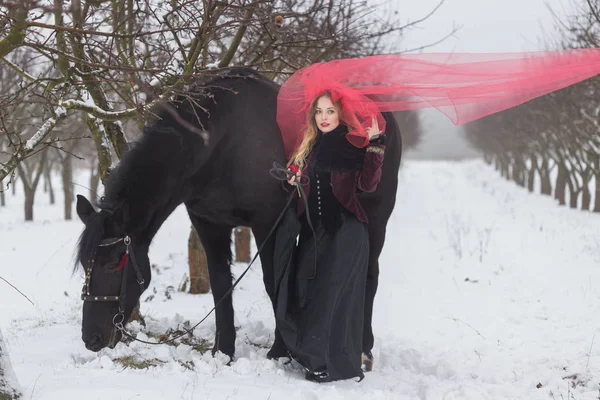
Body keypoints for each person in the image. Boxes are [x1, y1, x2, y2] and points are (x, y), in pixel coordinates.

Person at [272, 91, 386, 383]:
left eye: (330, 111)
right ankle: (311, 354)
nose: (324, 117)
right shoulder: (309, 146)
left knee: (332, 296)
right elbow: (302, 188)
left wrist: (375, 145)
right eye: (319, 112)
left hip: (345, 231)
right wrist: (294, 179)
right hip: (315, 231)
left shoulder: (351, 145)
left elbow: (367, 185)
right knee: (305, 289)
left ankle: (331, 364)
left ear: (340, 115)